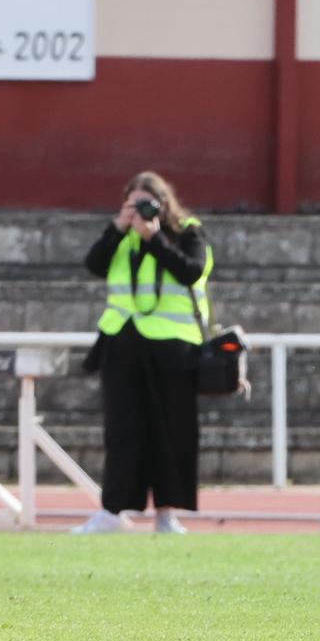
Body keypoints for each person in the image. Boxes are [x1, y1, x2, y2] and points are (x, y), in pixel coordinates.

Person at [72, 171, 213, 535]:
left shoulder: (188, 232)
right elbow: (94, 264)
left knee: (172, 432)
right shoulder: (122, 235)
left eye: (147, 204)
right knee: (122, 431)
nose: (141, 211)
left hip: (173, 346)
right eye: (133, 204)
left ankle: (167, 514)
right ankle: (112, 511)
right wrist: (119, 227)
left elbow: (191, 271)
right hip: (122, 341)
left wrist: (155, 238)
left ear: (164, 204)